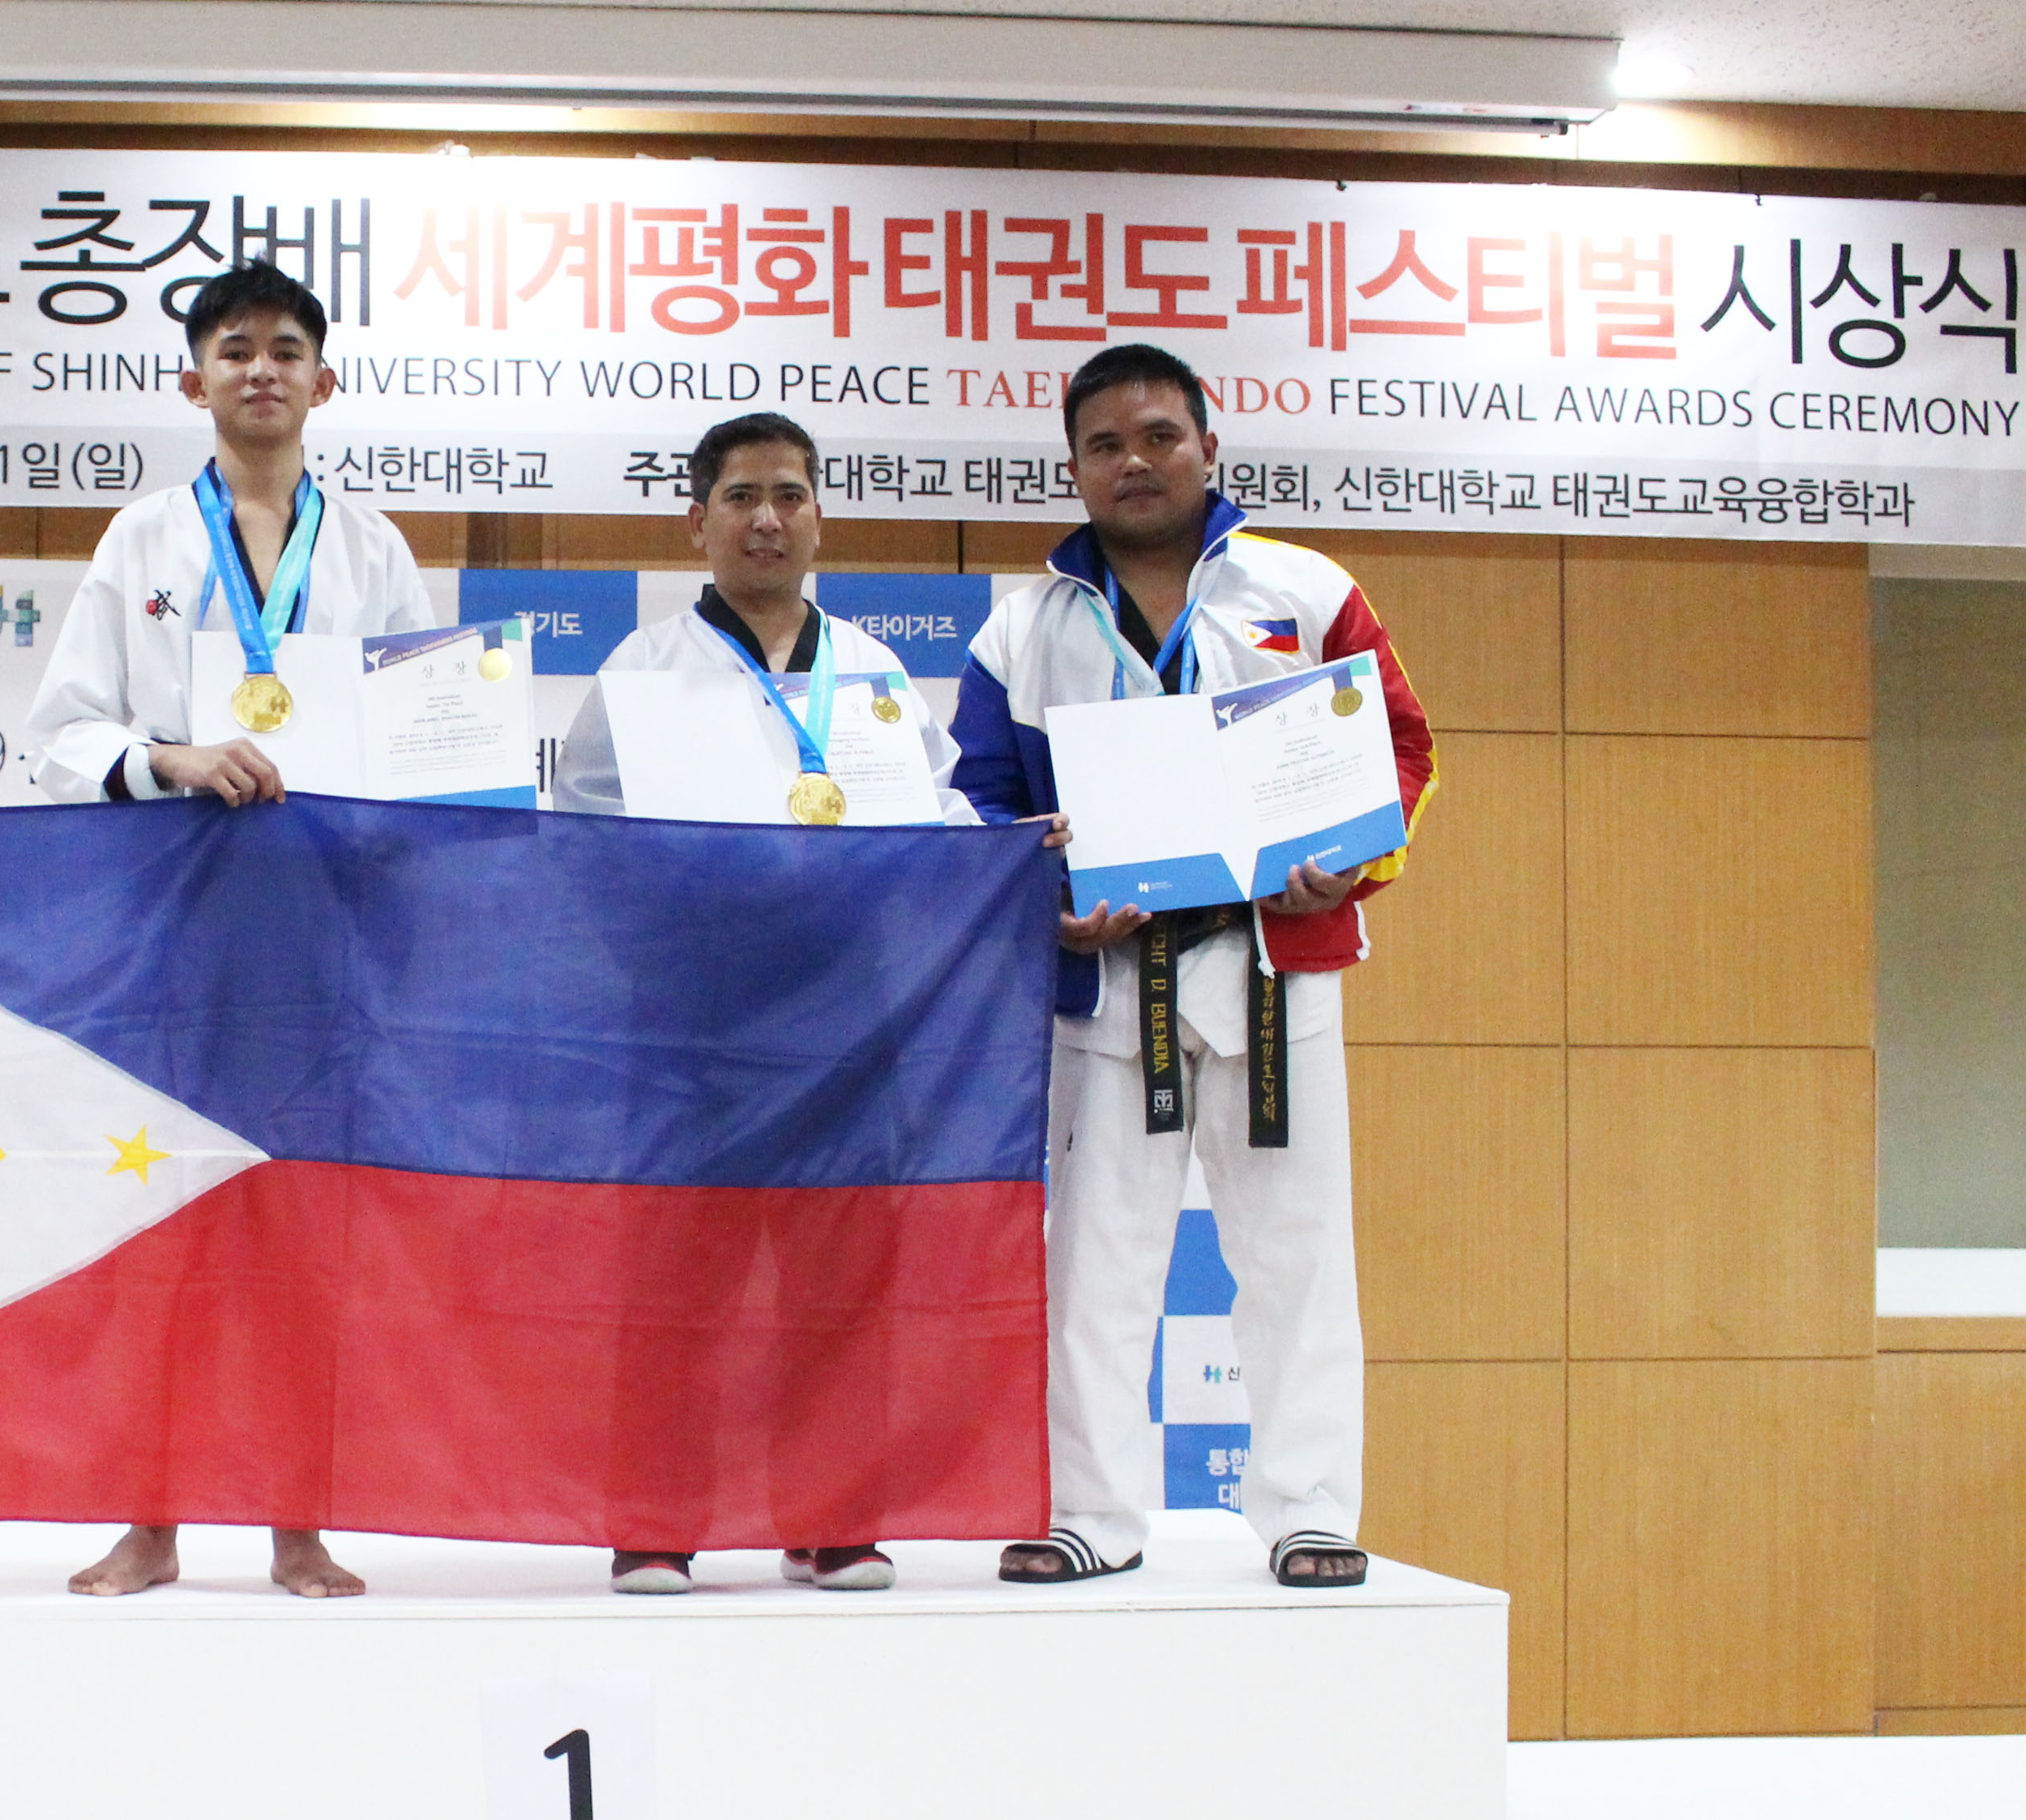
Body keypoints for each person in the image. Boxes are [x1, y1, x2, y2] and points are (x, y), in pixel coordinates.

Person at [951, 343, 1437, 1590]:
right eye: (1106, 445)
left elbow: (1403, 750)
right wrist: (1045, 899)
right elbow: (978, 802)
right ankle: (1092, 1515)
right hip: (1109, 986)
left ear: (1210, 448)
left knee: (1298, 1250)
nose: (1136, 462)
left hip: (1276, 967)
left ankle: (1309, 1508)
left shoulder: (1303, 589)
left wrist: (1355, 864)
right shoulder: (1025, 628)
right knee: (1095, 1262)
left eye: (1161, 435)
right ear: (1073, 469)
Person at [24, 257, 430, 1600]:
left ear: (327, 379)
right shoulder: (141, 542)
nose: (263, 368)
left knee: (305, 1232)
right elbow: (61, 732)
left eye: (288, 347)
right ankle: (151, 1515)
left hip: (322, 940)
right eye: (236, 347)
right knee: (162, 1224)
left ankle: (297, 1521)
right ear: (192, 378)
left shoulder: (373, 551)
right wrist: (176, 759)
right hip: (172, 930)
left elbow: (434, 737)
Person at [552, 411, 984, 1596]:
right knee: (677, 1285)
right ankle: (653, 1521)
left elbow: (940, 827)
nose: (766, 518)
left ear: (820, 517)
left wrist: (1014, 858)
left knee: (838, 1283)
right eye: (740, 496)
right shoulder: (640, 673)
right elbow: (583, 850)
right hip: (693, 1029)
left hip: (848, 1027)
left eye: (789, 494)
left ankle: (833, 1515)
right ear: (696, 520)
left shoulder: (881, 676)